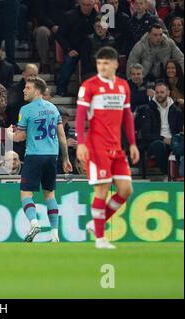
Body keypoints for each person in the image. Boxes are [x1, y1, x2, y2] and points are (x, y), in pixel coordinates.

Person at [76, 47, 140, 249]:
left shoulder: (123, 86)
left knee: (125, 189)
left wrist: (132, 143)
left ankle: (95, 224)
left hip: (116, 147)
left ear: (115, 64)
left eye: (106, 63)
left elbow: (128, 117)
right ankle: (100, 239)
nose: (102, 67)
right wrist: (80, 144)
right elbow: (80, 116)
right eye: (99, 63)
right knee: (102, 190)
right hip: (96, 146)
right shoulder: (89, 86)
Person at [6, 77, 72, 243]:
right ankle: (55, 234)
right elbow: (62, 136)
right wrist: (65, 158)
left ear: (37, 91)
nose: (24, 90)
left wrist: (9, 135)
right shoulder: (53, 109)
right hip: (52, 156)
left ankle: (34, 222)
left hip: (34, 155)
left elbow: (20, 137)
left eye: (27, 88)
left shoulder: (26, 110)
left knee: (25, 193)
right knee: (50, 194)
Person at [138, 82, 183, 178]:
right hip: (154, 142)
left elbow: (180, 131)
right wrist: (163, 139)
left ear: (168, 93)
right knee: (159, 145)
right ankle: (169, 175)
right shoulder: (148, 109)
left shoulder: (176, 111)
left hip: (173, 141)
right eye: (157, 92)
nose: (159, 95)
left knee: (180, 144)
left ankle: (180, 174)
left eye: (162, 92)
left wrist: (173, 140)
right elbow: (146, 134)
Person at [55, 0, 97, 97]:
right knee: (69, 61)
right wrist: (68, 49)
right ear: (79, 3)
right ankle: (61, 89)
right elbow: (60, 35)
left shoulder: (98, 17)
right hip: (74, 49)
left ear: (93, 5)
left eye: (89, 5)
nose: (86, 7)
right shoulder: (69, 16)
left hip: (91, 50)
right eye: (84, 5)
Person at [33, 0, 76, 74]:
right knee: (42, 32)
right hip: (47, 26)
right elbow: (40, 14)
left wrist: (65, 25)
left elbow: (73, 11)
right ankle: (45, 63)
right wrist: (52, 25)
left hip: (65, 26)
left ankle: (70, 63)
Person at [0, 0, 19, 66]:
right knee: (9, 32)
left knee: (1, 32)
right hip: (9, 4)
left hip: (5, 3)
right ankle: (10, 61)